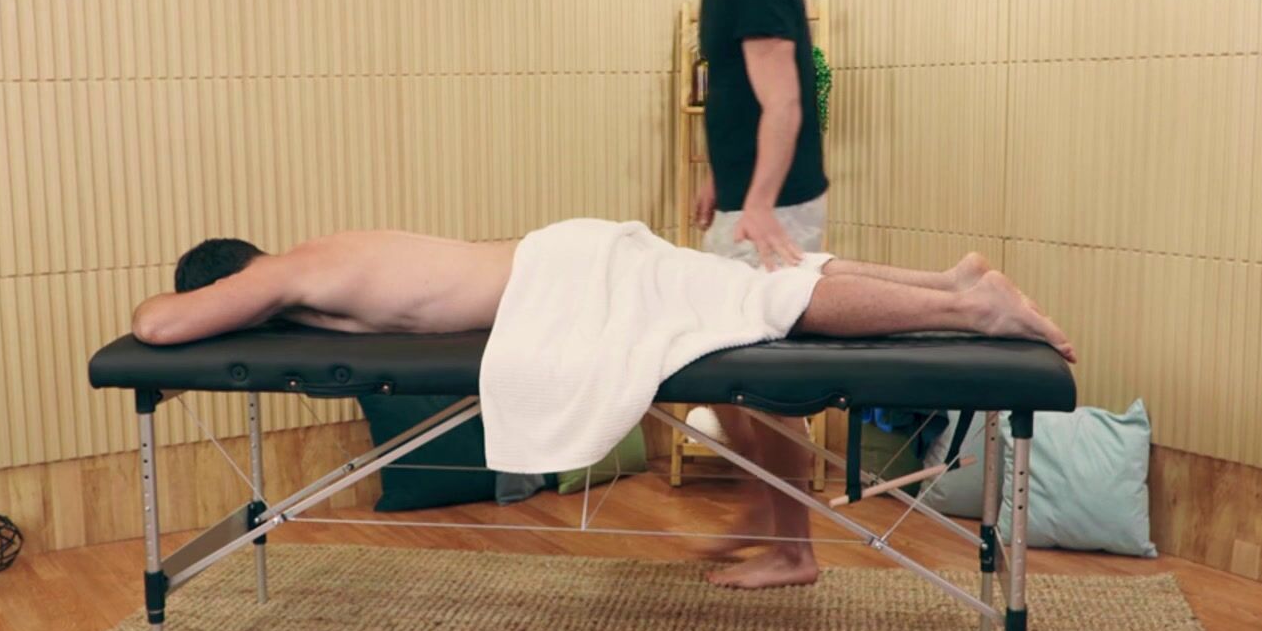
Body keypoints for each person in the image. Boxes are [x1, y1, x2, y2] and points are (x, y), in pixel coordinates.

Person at [133, 227, 1074, 394]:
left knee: (757, 300)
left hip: (567, 281)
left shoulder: (281, 275)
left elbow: (158, 326)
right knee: (738, 287)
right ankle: (951, 287)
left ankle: (973, 311)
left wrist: (187, 303)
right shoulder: (316, 264)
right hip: (564, 266)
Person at [643, 0, 833, 588]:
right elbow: (736, 95)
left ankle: (794, 548)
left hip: (775, 209)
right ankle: (764, 508)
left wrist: (756, 203)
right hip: (747, 200)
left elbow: (784, 104)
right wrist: (721, 181)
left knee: (761, 382)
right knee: (721, 371)